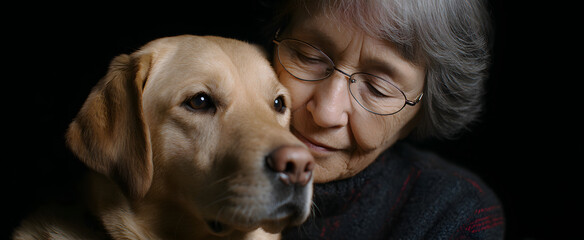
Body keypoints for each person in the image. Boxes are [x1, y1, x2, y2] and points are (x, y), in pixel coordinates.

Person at [265, 0, 505, 239]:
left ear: (426, 107)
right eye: (308, 57)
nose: (326, 112)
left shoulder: (455, 214)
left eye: (378, 89)